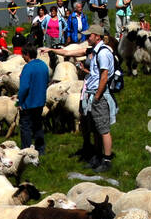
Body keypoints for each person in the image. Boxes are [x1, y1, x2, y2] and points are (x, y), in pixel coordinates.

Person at [42, 23, 118, 171]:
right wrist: (51, 49)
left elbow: (105, 76)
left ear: (97, 36)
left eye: (89, 35)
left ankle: (107, 160)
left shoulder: (103, 52)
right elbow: (67, 53)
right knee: (94, 127)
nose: (87, 37)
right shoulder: (93, 50)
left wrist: (97, 95)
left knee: (103, 128)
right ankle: (97, 156)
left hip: (99, 95)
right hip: (91, 93)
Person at [16, 44, 48, 154]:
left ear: (27, 54)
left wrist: (20, 101)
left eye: (23, 55)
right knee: (38, 126)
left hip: (28, 103)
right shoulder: (43, 65)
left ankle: (27, 151)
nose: (22, 58)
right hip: (40, 101)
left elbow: (24, 87)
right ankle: (40, 150)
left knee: (26, 127)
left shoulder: (28, 67)